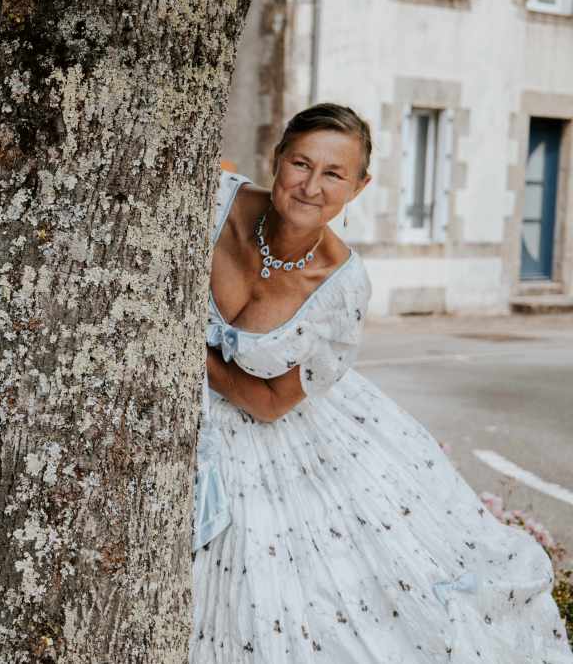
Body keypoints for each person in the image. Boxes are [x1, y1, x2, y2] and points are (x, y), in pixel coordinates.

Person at [193, 103, 573, 663]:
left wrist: (185, 355)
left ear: (360, 187)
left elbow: (273, 403)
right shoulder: (210, 201)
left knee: (303, 600)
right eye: (301, 163)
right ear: (277, 159)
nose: (311, 186)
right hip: (178, 410)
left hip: (277, 435)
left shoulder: (342, 288)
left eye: (334, 174)